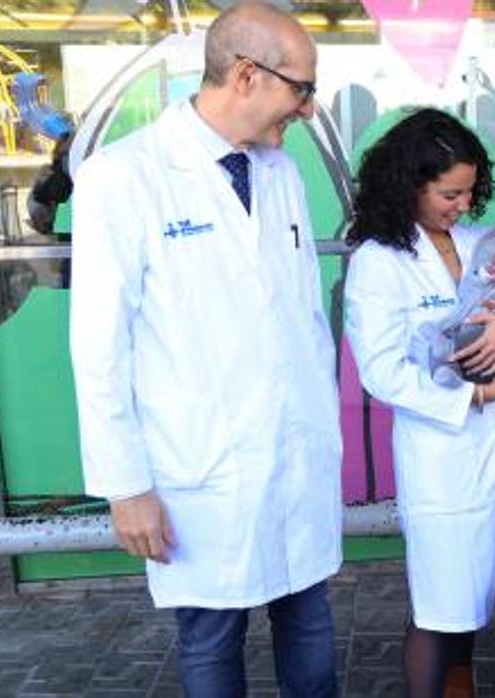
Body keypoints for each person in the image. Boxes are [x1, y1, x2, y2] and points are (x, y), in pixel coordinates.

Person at [69, 4, 342, 696]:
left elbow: (305, 317)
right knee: (210, 639)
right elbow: (99, 347)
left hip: (295, 455)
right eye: (302, 89)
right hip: (201, 466)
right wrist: (126, 487)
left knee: (310, 623)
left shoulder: (279, 171)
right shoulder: (124, 177)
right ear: (247, 75)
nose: (308, 109)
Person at [343, 107, 495, 698]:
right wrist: (475, 395)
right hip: (440, 454)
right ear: (409, 184)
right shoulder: (378, 262)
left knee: (476, 600)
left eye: (470, 192)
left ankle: (460, 690)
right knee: (441, 606)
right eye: (449, 193)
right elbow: (382, 371)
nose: (463, 206)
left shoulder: (480, 244)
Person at [407, 217, 495, 386]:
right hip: (464, 328)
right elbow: (469, 291)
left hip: (490, 343)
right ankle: (445, 354)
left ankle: (451, 365)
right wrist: (484, 276)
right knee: (454, 335)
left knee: (476, 352)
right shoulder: (483, 276)